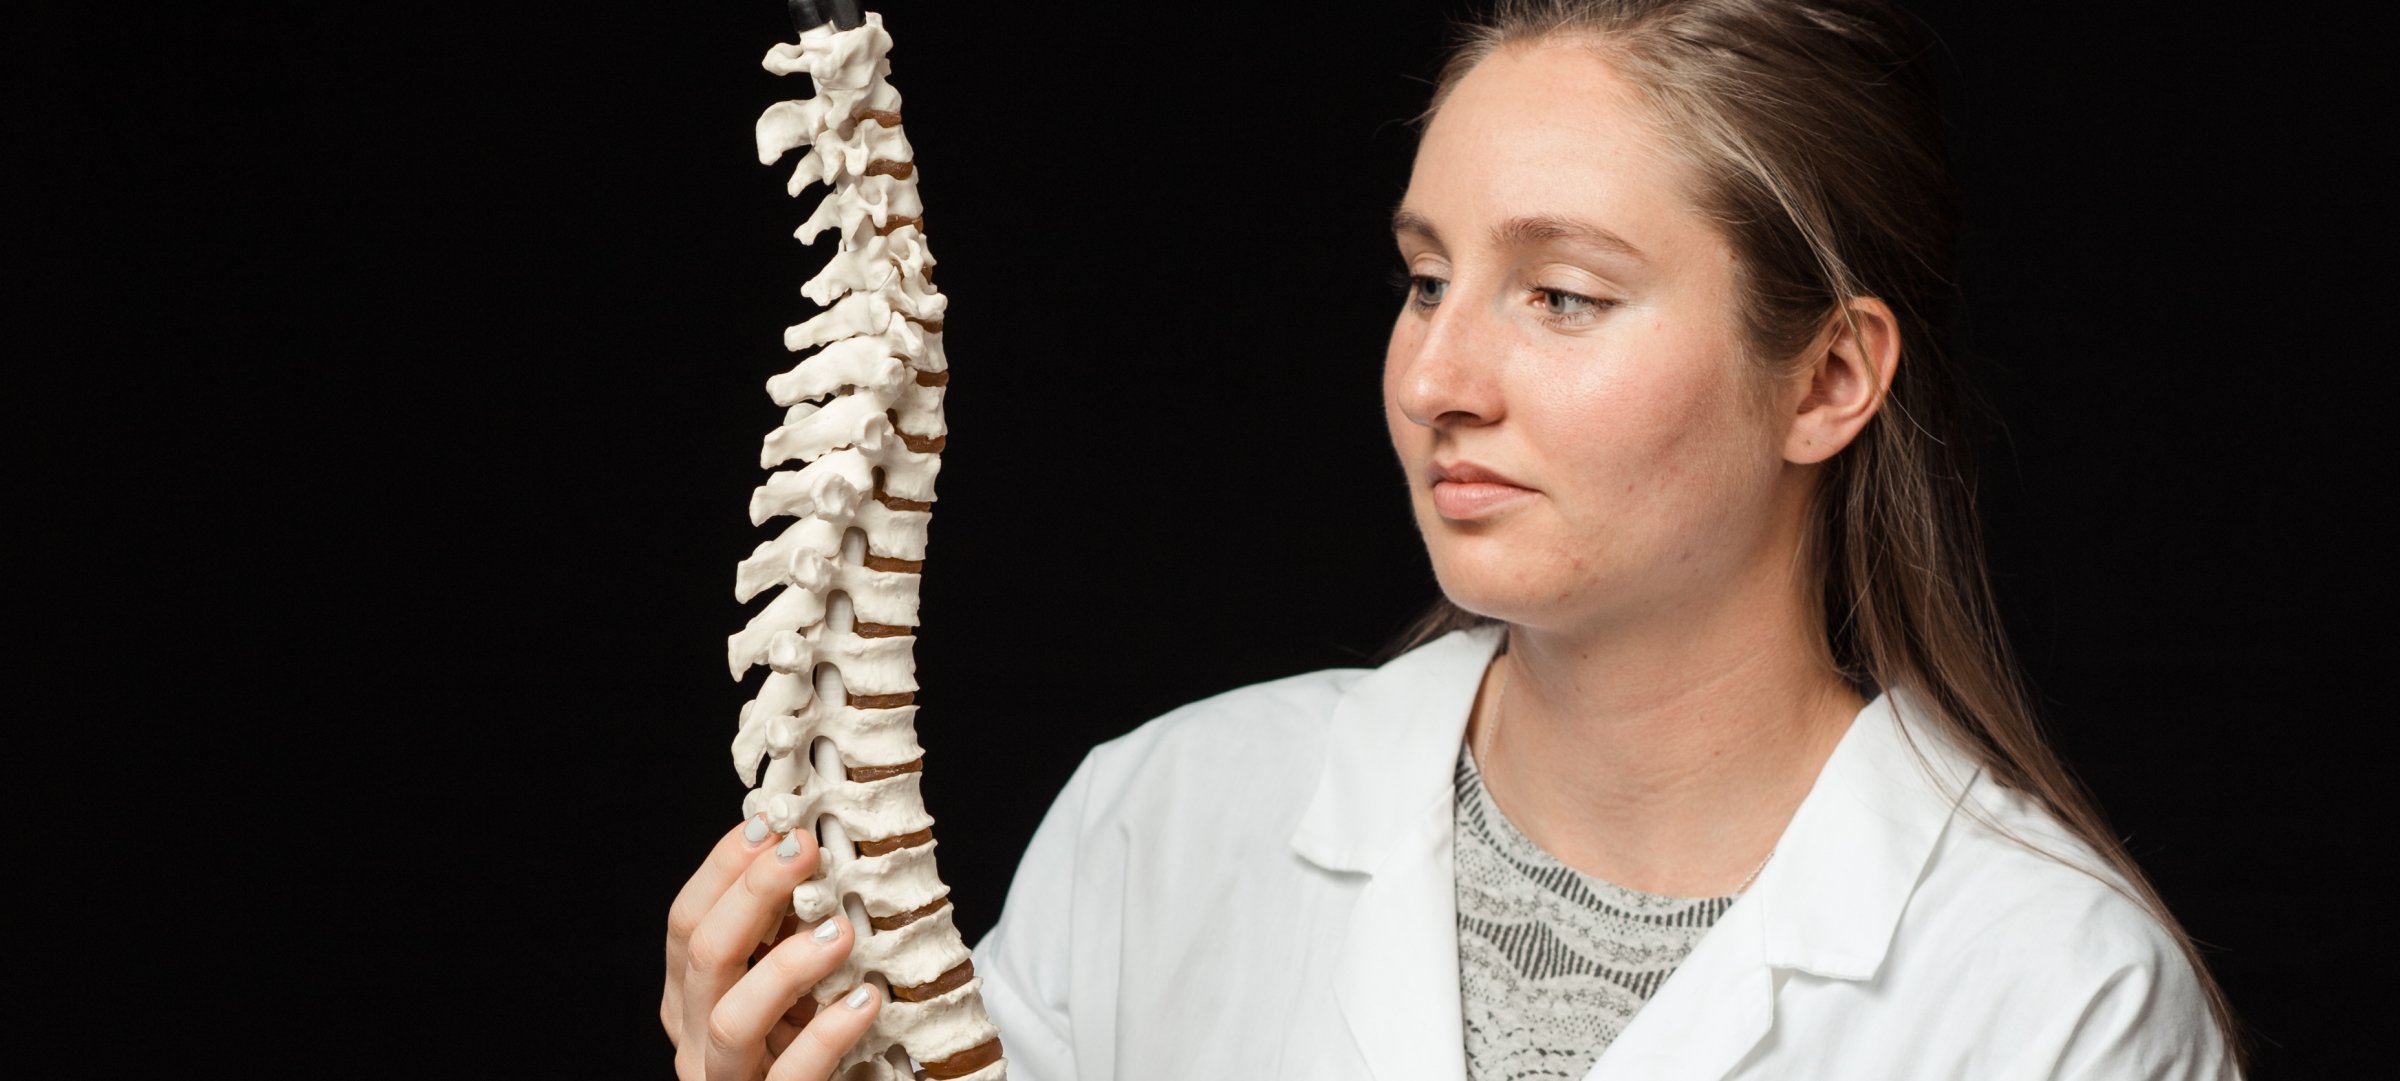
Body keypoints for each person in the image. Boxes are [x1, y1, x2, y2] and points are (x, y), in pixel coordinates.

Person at [662, 1, 2243, 1077]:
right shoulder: (1164, 825)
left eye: (1562, 294)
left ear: (1829, 377)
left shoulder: (2055, 1000)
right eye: (1428, 278)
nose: (1436, 378)